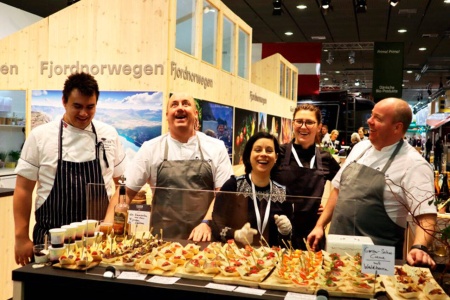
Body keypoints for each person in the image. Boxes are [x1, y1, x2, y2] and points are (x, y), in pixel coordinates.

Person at [14, 72, 127, 266]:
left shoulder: (108, 135)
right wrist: (21, 237)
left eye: (90, 107)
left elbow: (121, 187)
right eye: (77, 106)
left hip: (98, 244)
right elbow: (23, 190)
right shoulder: (40, 136)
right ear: (64, 101)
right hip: (51, 241)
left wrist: (109, 223)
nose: (84, 113)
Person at [308, 98, 437, 266]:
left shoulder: (414, 164)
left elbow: (426, 215)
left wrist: (420, 247)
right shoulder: (360, 149)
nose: (369, 121)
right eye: (371, 115)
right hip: (337, 252)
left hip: (377, 260)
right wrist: (320, 225)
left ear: (397, 127)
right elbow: (339, 191)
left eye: (378, 118)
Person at [107, 92, 234, 242]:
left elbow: (224, 196)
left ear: (195, 114)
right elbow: (125, 192)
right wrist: (107, 227)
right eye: (174, 105)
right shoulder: (151, 148)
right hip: (161, 242)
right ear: (167, 115)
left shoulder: (216, 148)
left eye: (185, 104)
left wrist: (207, 222)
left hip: (205, 240)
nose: (180, 108)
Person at [271, 104, 341, 250]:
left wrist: (329, 211)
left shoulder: (325, 158)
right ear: (293, 123)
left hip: (312, 233)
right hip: (279, 230)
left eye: (309, 122)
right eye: (299, 121)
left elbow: (344, 188)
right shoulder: (279, 153)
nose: (303, 127)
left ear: (319, 126)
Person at [211, 131, 292, 246]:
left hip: (271, 258)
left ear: (276, 157)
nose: (263, 154)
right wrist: (235, 234)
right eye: (258, 150)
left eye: (269, 150)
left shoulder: (283, 192)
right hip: (235, 257)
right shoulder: (233, 186)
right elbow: (216, 223)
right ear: (249, 154)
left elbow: (288, 242)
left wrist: (286, 231)